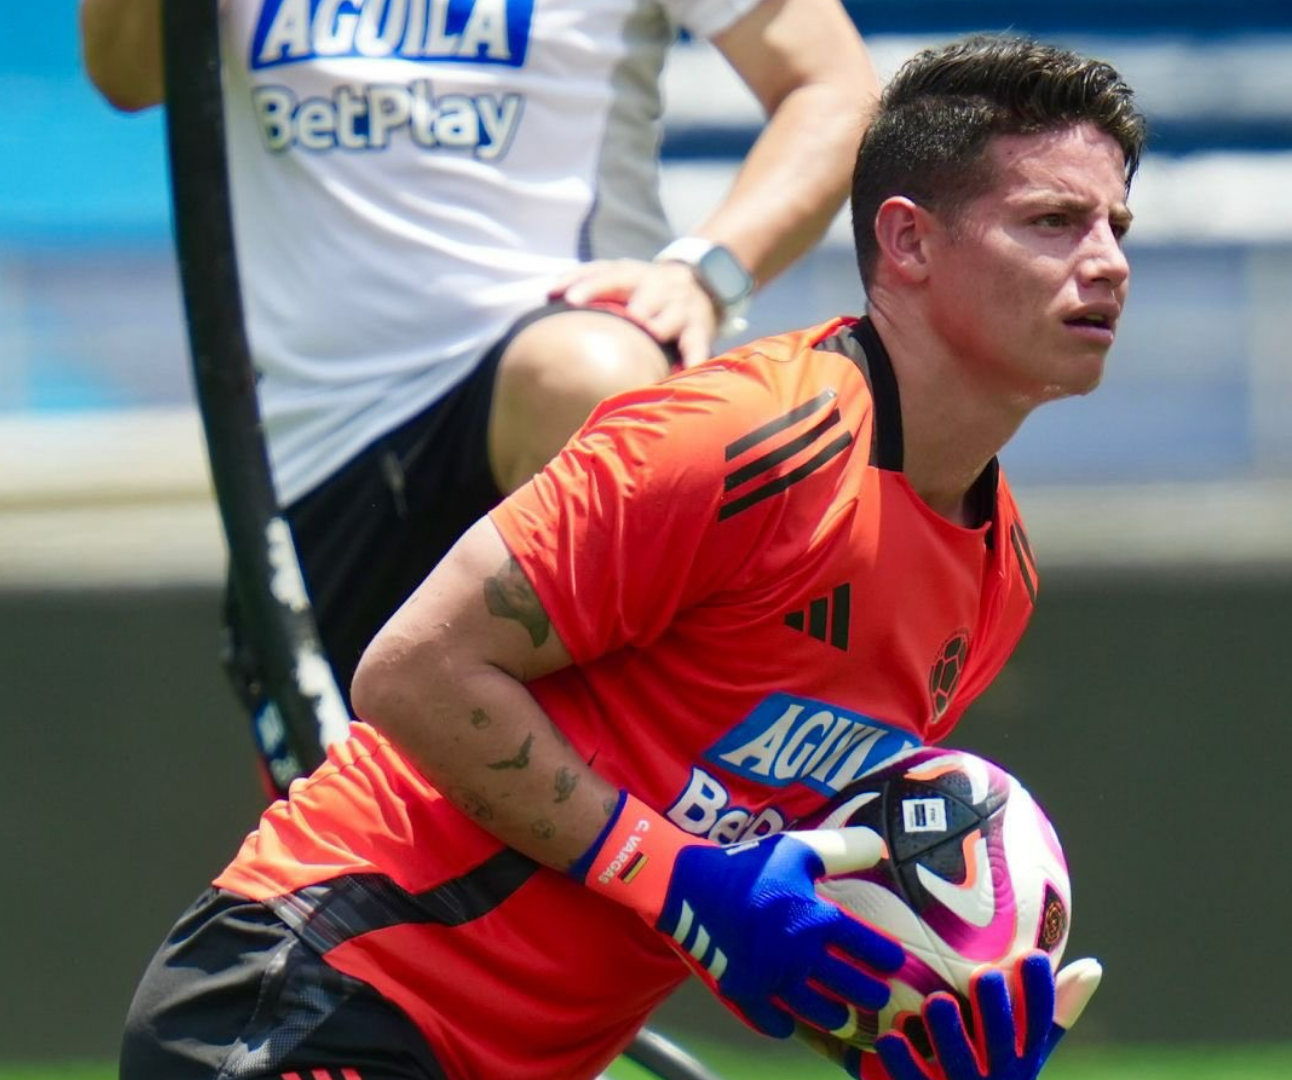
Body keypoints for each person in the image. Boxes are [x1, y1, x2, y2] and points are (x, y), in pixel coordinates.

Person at [121, 32, 1142, 1080]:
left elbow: (752, 880)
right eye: (1054, 223)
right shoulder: (738, 440)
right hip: (311, 1002)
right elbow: (410, 671)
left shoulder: (996, 577)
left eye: (1116, 225)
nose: (1107, 260)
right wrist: (682, 885)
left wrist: (900, 1036)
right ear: (908, 243)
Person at [79, 0, 880, 793]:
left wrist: (707, 272)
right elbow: (129, 72)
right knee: (354, 876)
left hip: (558, 372)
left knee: (585, 377)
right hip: (317, 452)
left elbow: (833, 87)